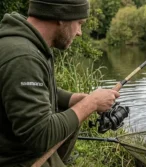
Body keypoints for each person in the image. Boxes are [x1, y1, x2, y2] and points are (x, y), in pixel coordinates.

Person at [0, 0, 120, 166]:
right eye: (79, 23)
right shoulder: (24, 57)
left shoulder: (28, 45)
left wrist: (72, 99)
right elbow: (40, 136)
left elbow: (41, 89)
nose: (79, 32)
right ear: (62, 16)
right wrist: (90, 103)